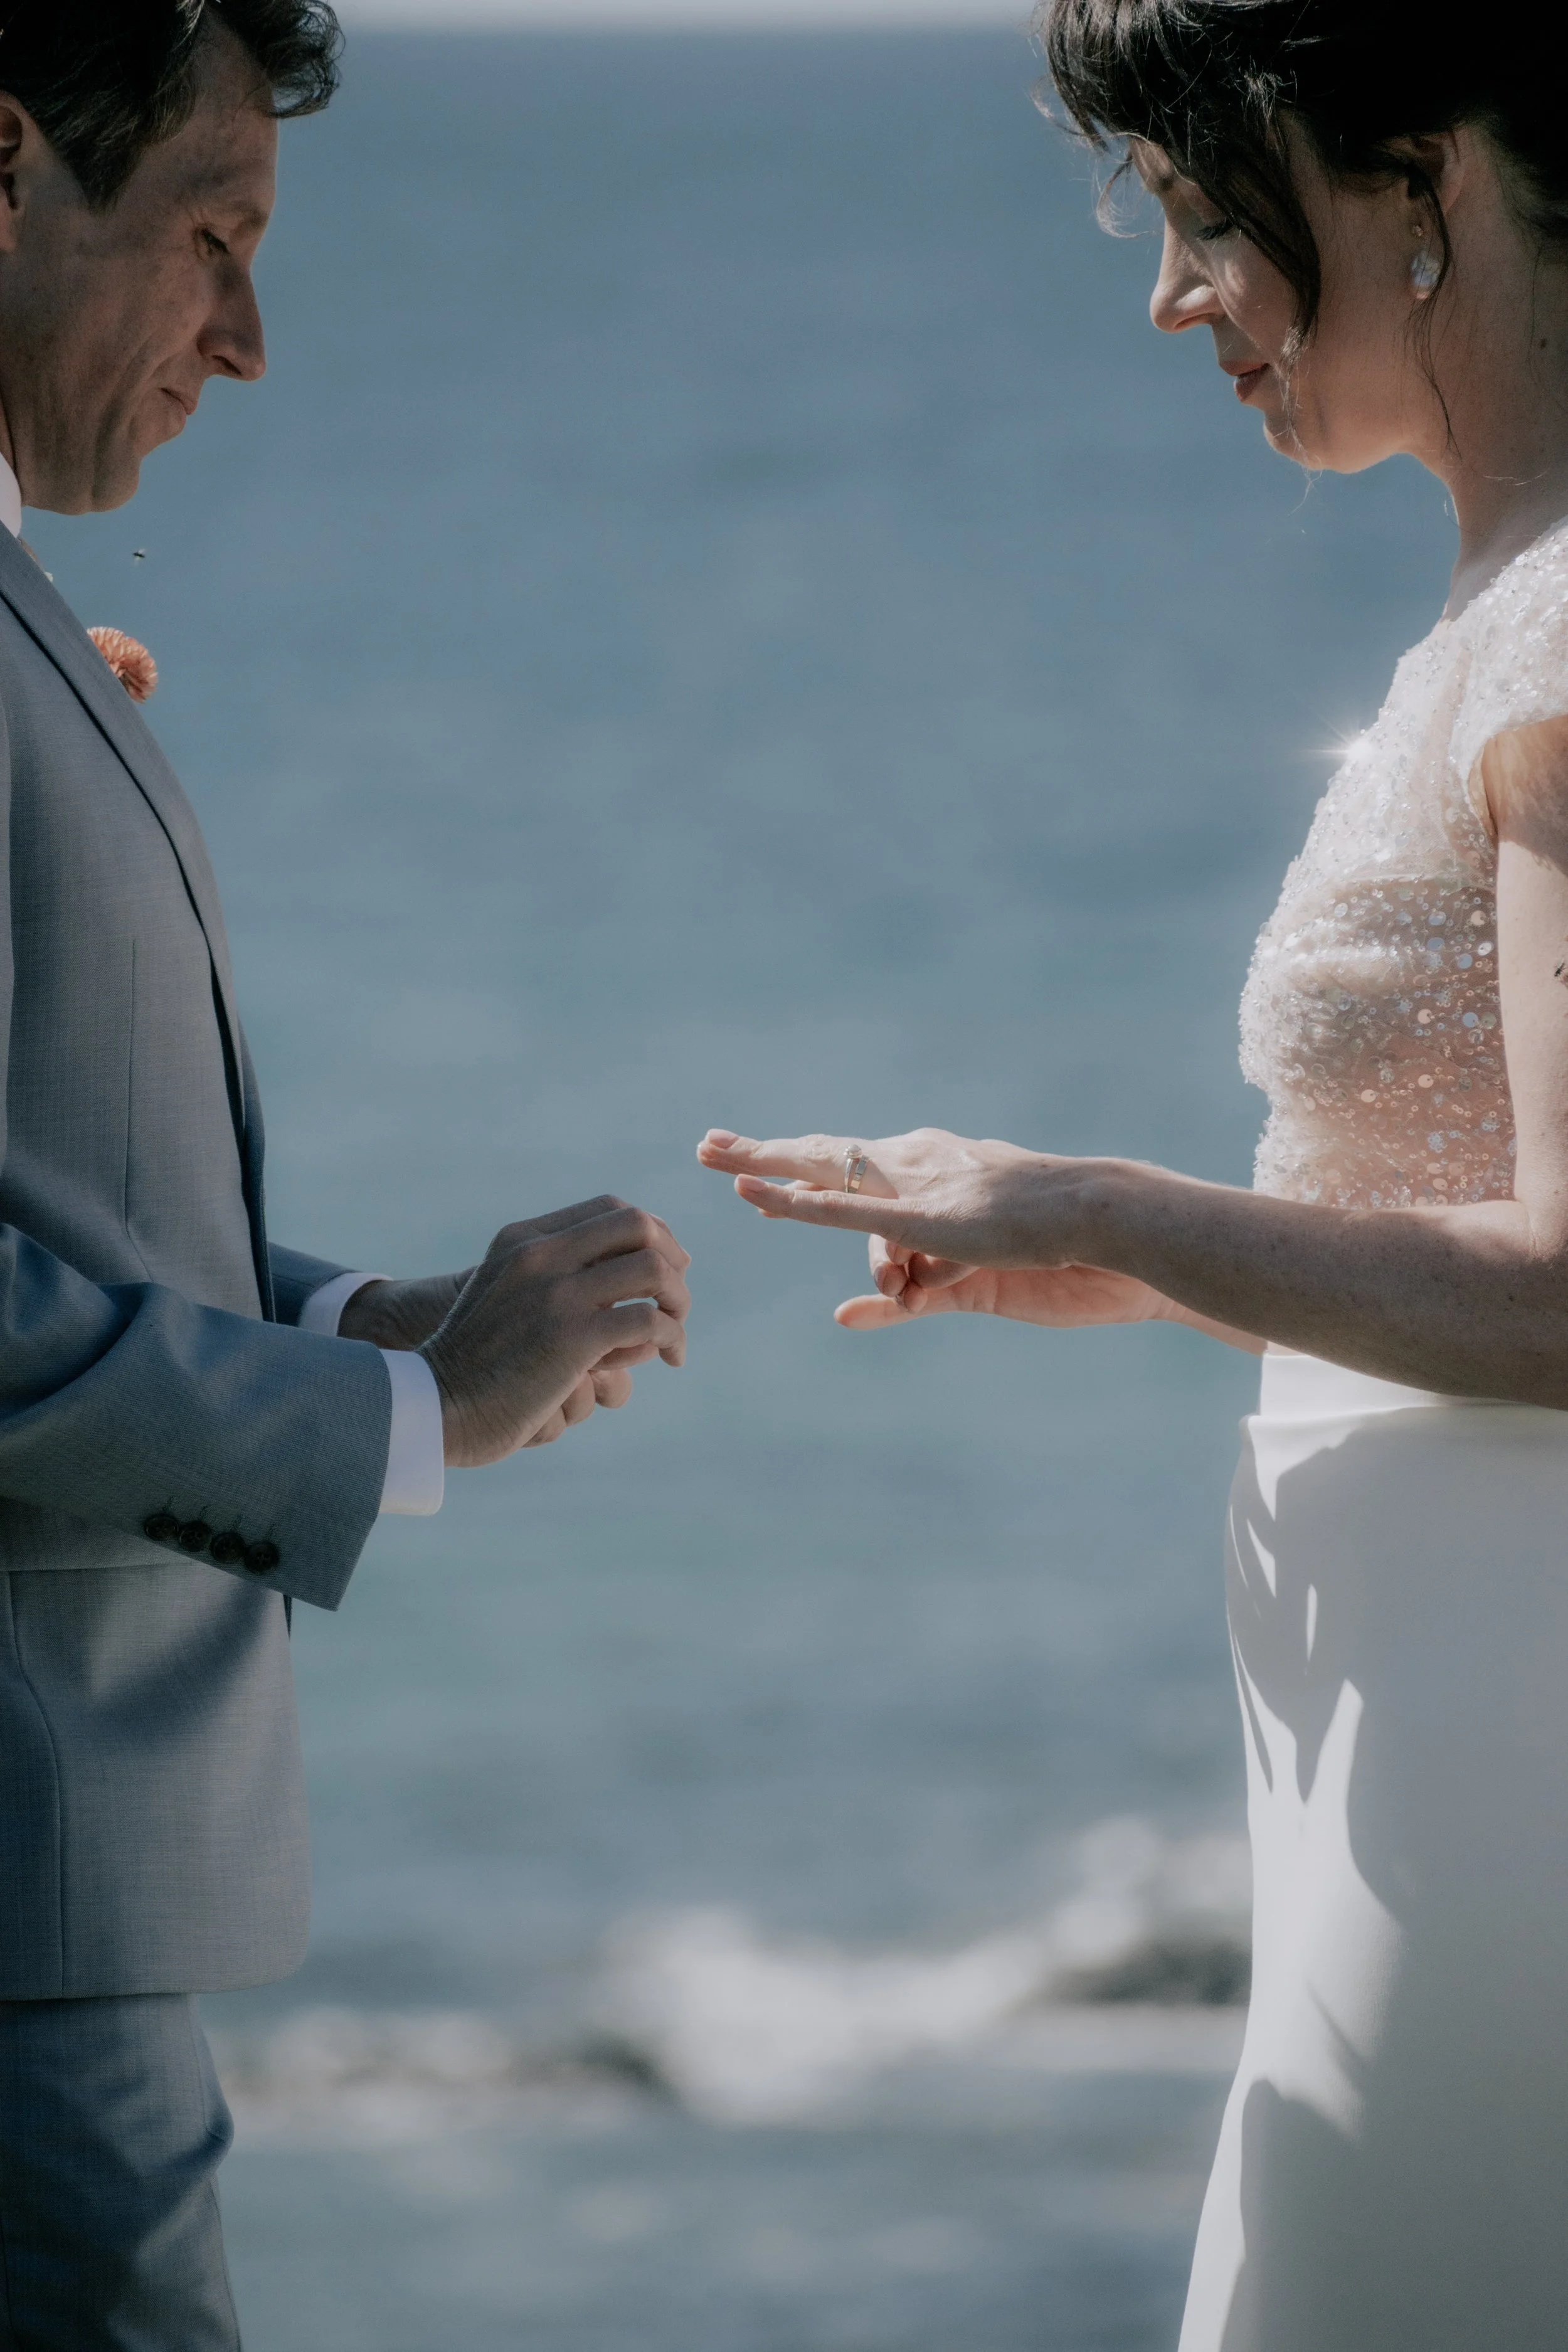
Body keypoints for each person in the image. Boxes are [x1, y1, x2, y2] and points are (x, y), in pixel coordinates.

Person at [699, 3, 1568, 2343]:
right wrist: (1163, 1280)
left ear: (1426, 172)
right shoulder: (1494, 610)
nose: (1169, 294)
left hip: (1500, 1759)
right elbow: (1466, 1206)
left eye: (1202, 211)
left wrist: (1106, 1204)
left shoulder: (1566, 621)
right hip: (1403, 1717)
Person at [0, 4, 690, 2344]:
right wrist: (402, 1426)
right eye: (213, 234)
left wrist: (355, 1328)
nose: (254, 339)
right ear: (2, 164)